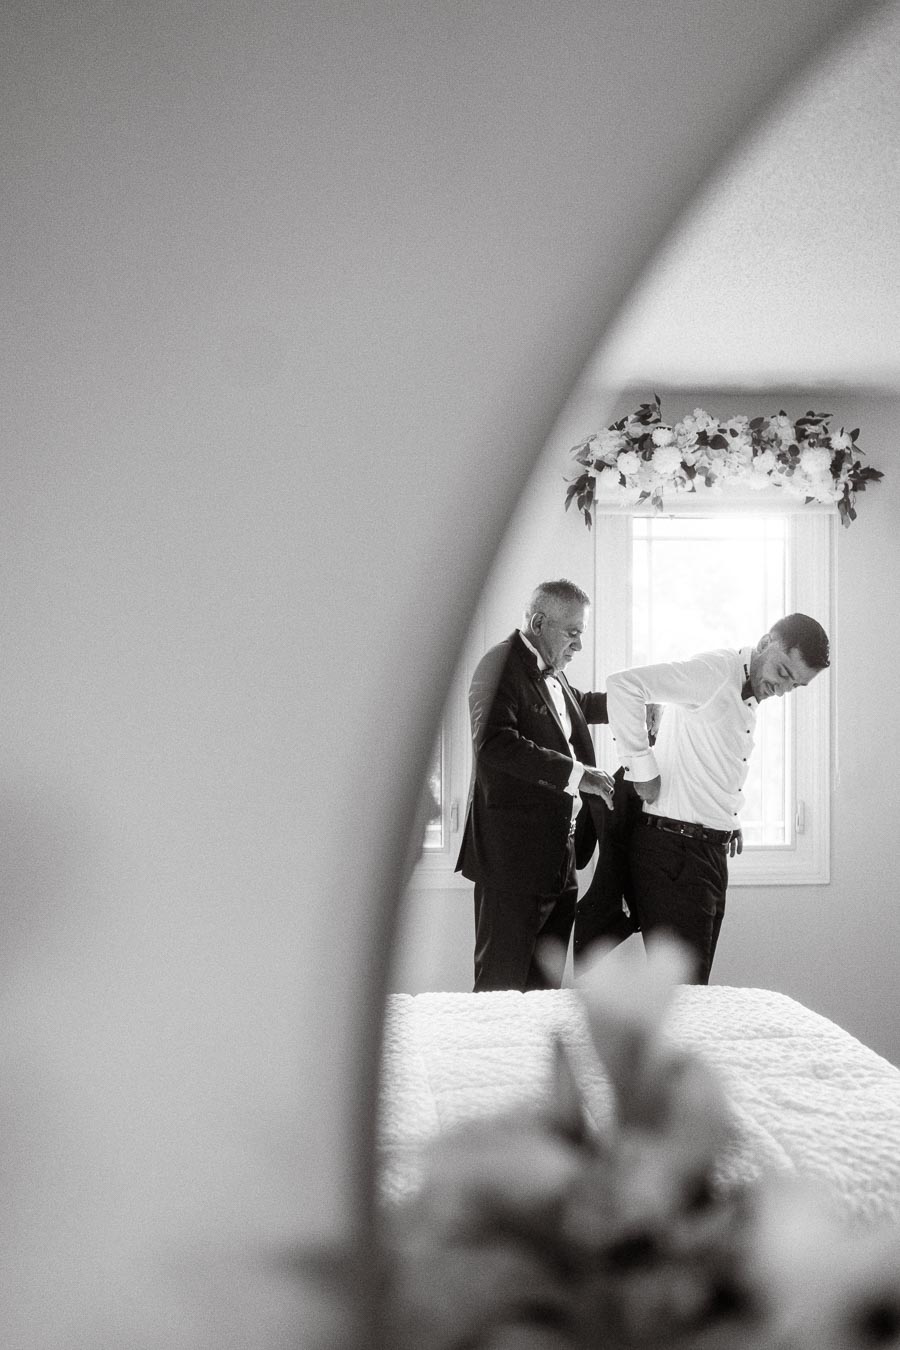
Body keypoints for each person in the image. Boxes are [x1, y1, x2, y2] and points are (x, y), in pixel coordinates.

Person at [605, 613, 830, 984]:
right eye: (783, 673)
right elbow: (623, 685)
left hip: (707, 854)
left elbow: (713, 757)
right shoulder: (712, 672)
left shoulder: (749, 691)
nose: (782, 690)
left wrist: (728, 818)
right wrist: (642, 770)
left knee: (694, 991)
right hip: (675, 854)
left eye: (795, 686)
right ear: (764, 643)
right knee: (684, 995)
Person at [455, 579, 615, 992]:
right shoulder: (498, 666)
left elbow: (579, 704)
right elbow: (494, 742)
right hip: (512, 861)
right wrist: (579, 775)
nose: (579, 645)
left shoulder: (553, 673)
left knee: (545, 993)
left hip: (560, 857)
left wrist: (633, 703)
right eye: (572, 632)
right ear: (539, 623)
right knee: (500, 987)